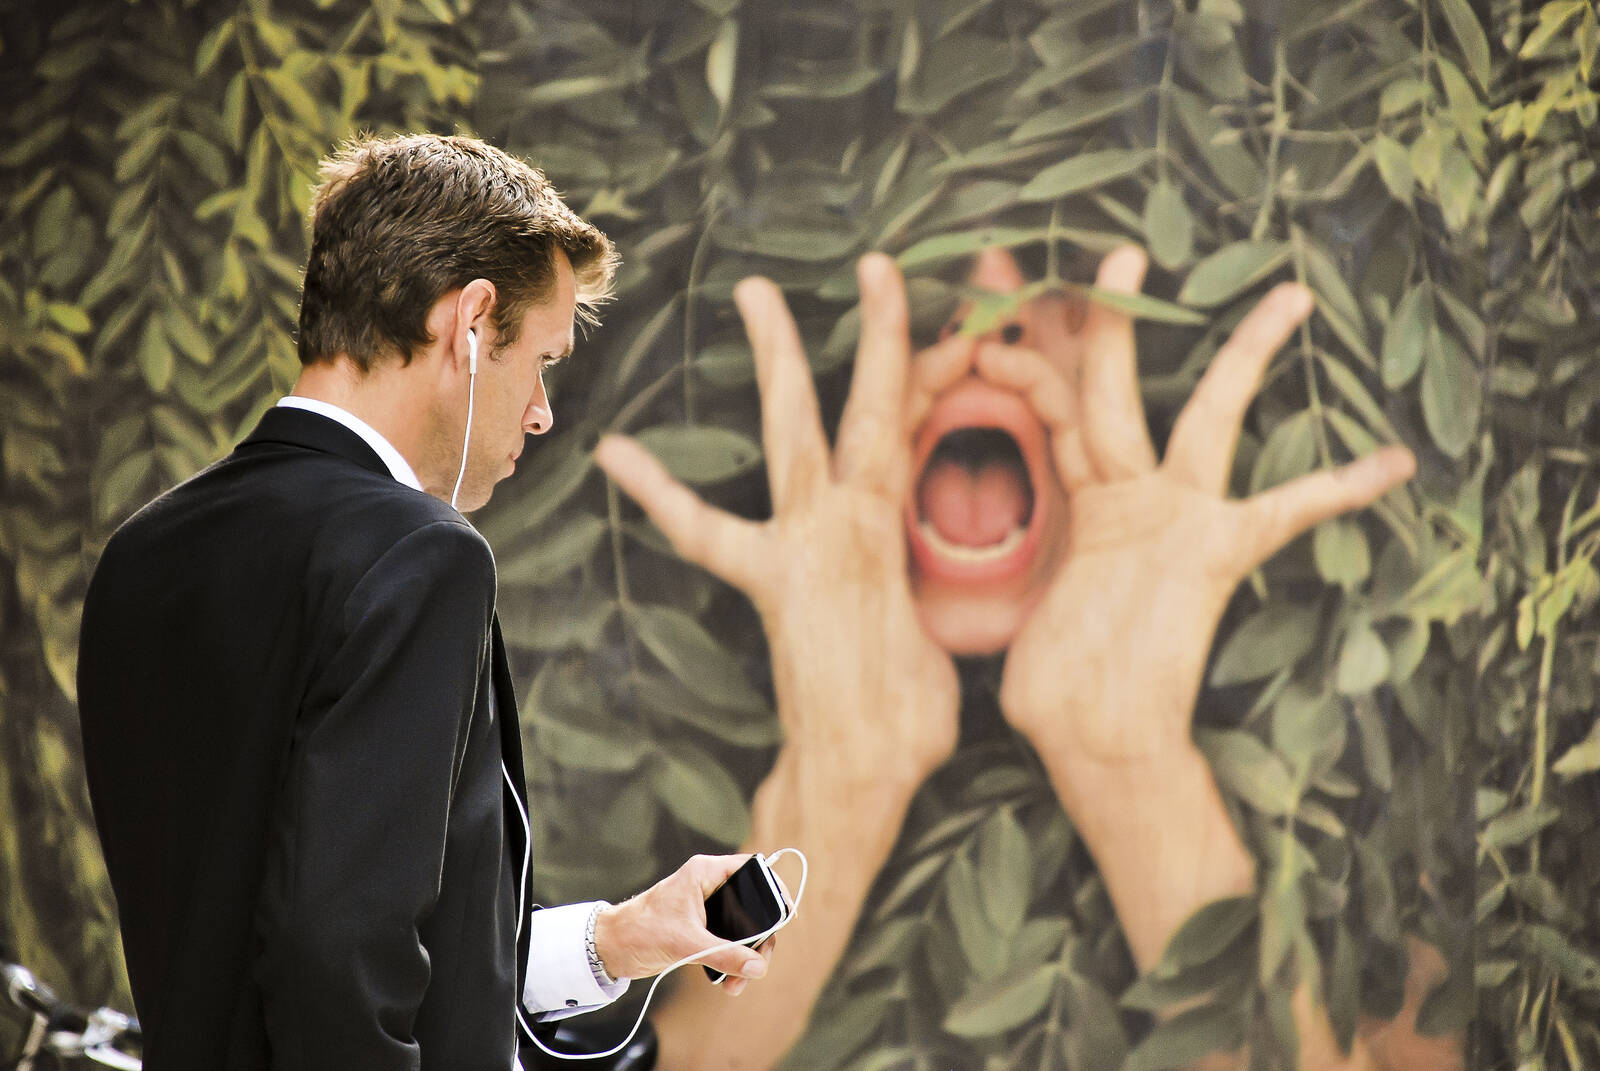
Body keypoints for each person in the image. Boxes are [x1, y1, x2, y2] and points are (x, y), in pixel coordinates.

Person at [595, 247, 1463, 1070]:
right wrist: (835, 790)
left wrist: (1136, 772)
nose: (990, 308)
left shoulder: (1390, 828)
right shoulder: (636, 759)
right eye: (937, 273)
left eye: (1063, 273)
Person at [75, 133, 773, 1071]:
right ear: (470, 323)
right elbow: (337, 960)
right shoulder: (420, 553)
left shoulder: (144, 553)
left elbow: (291, 942)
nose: (542, 409)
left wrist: (615, 939)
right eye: (543, 358)